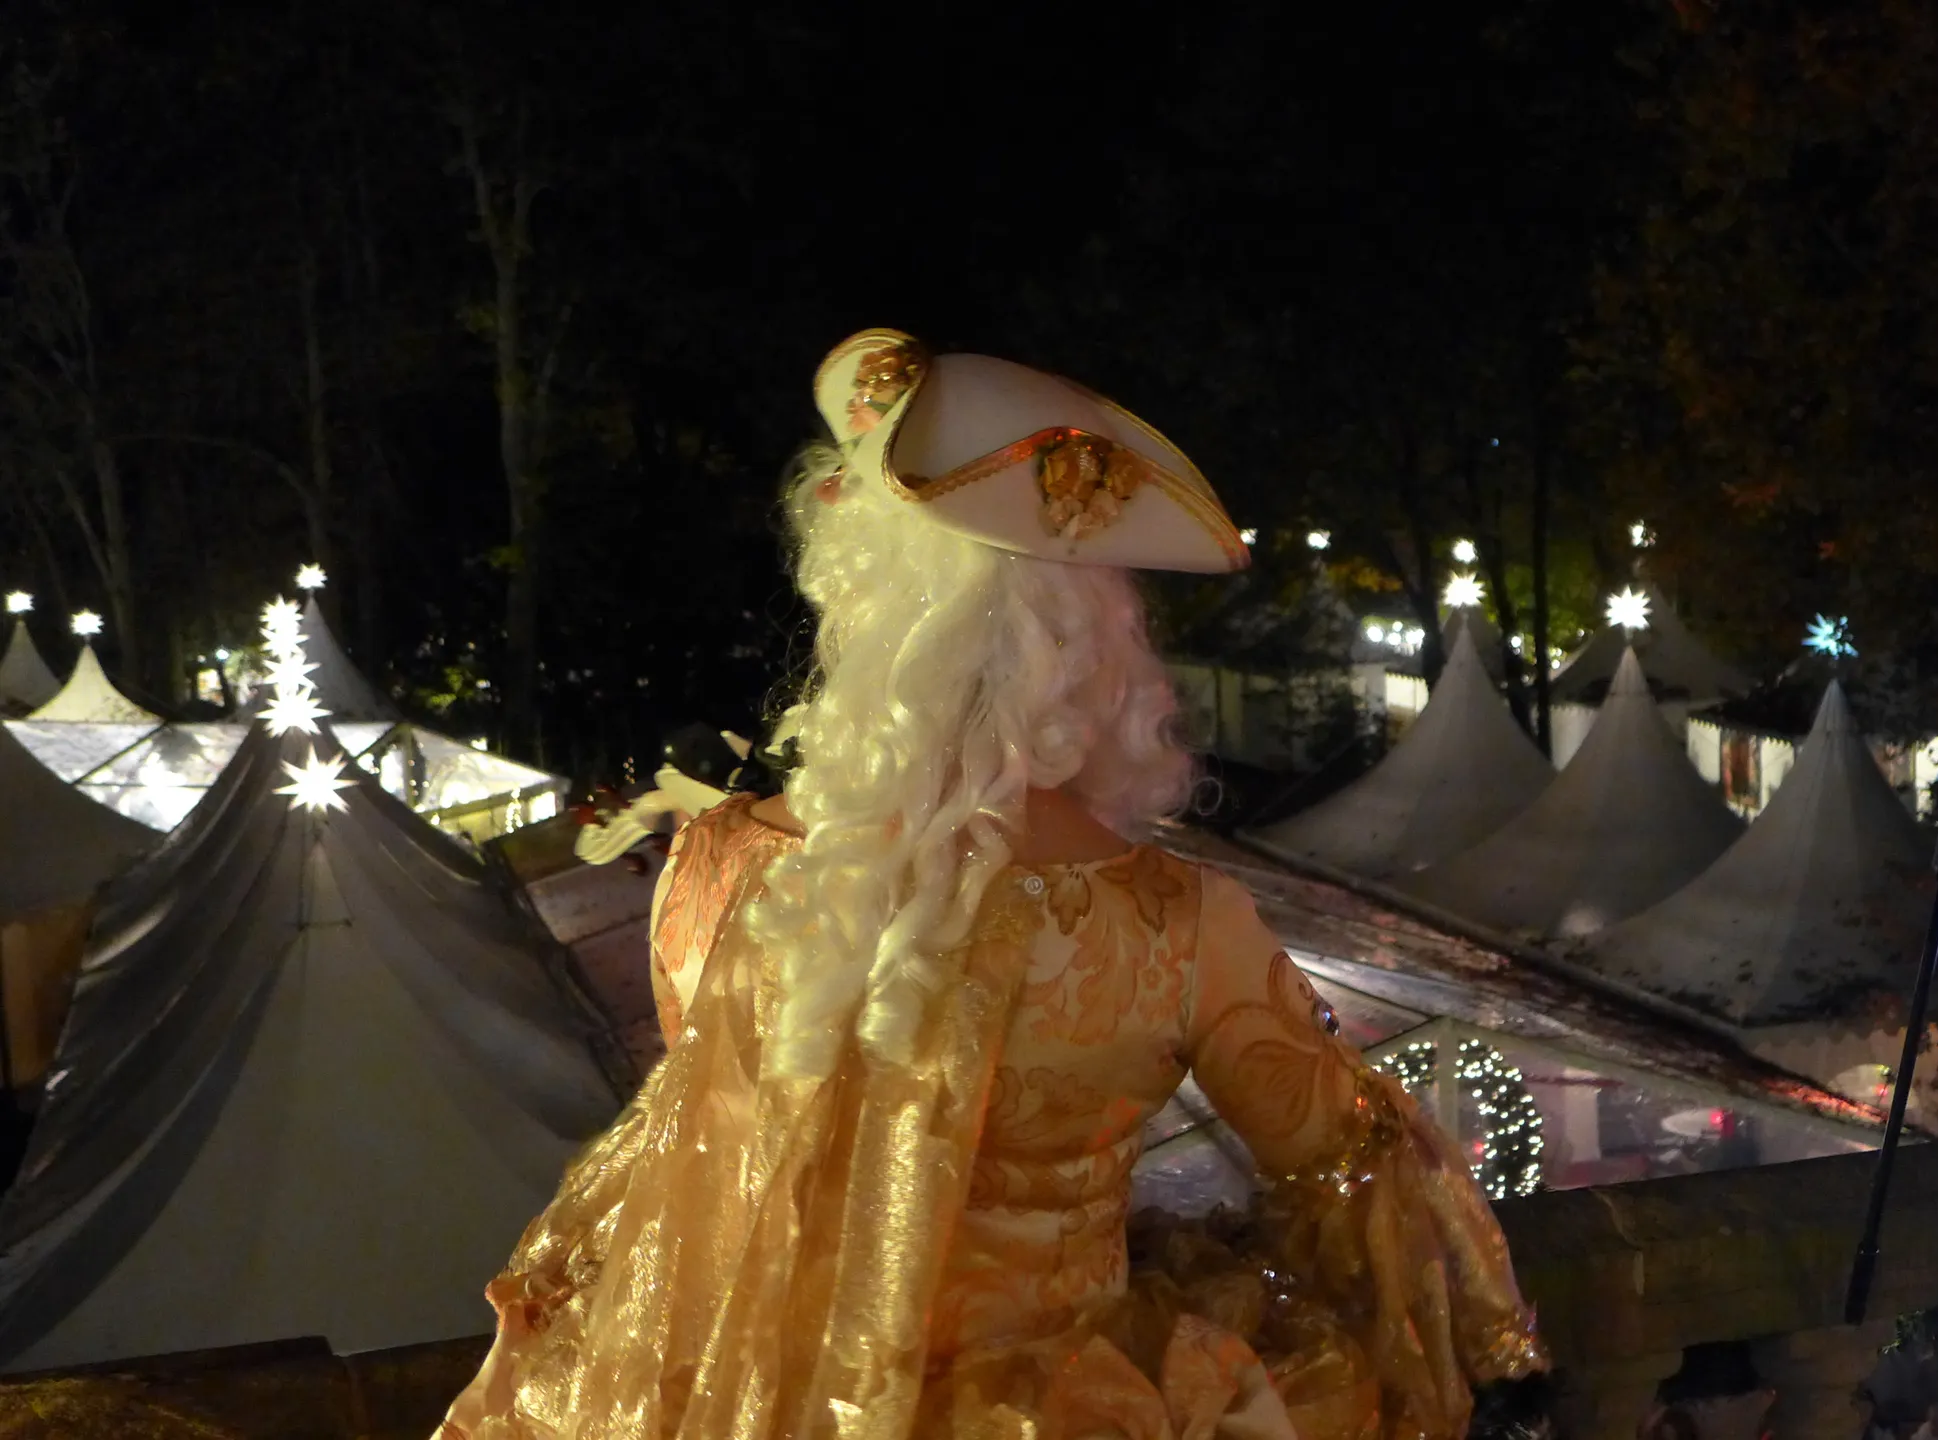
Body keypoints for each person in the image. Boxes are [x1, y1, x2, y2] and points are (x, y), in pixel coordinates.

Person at [439, 329, 1546, 1440]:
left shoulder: (720, 859)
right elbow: (1352, 1174)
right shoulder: (1178, 919)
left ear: (858, 597)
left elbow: (716, 1153)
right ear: (1096, 631)